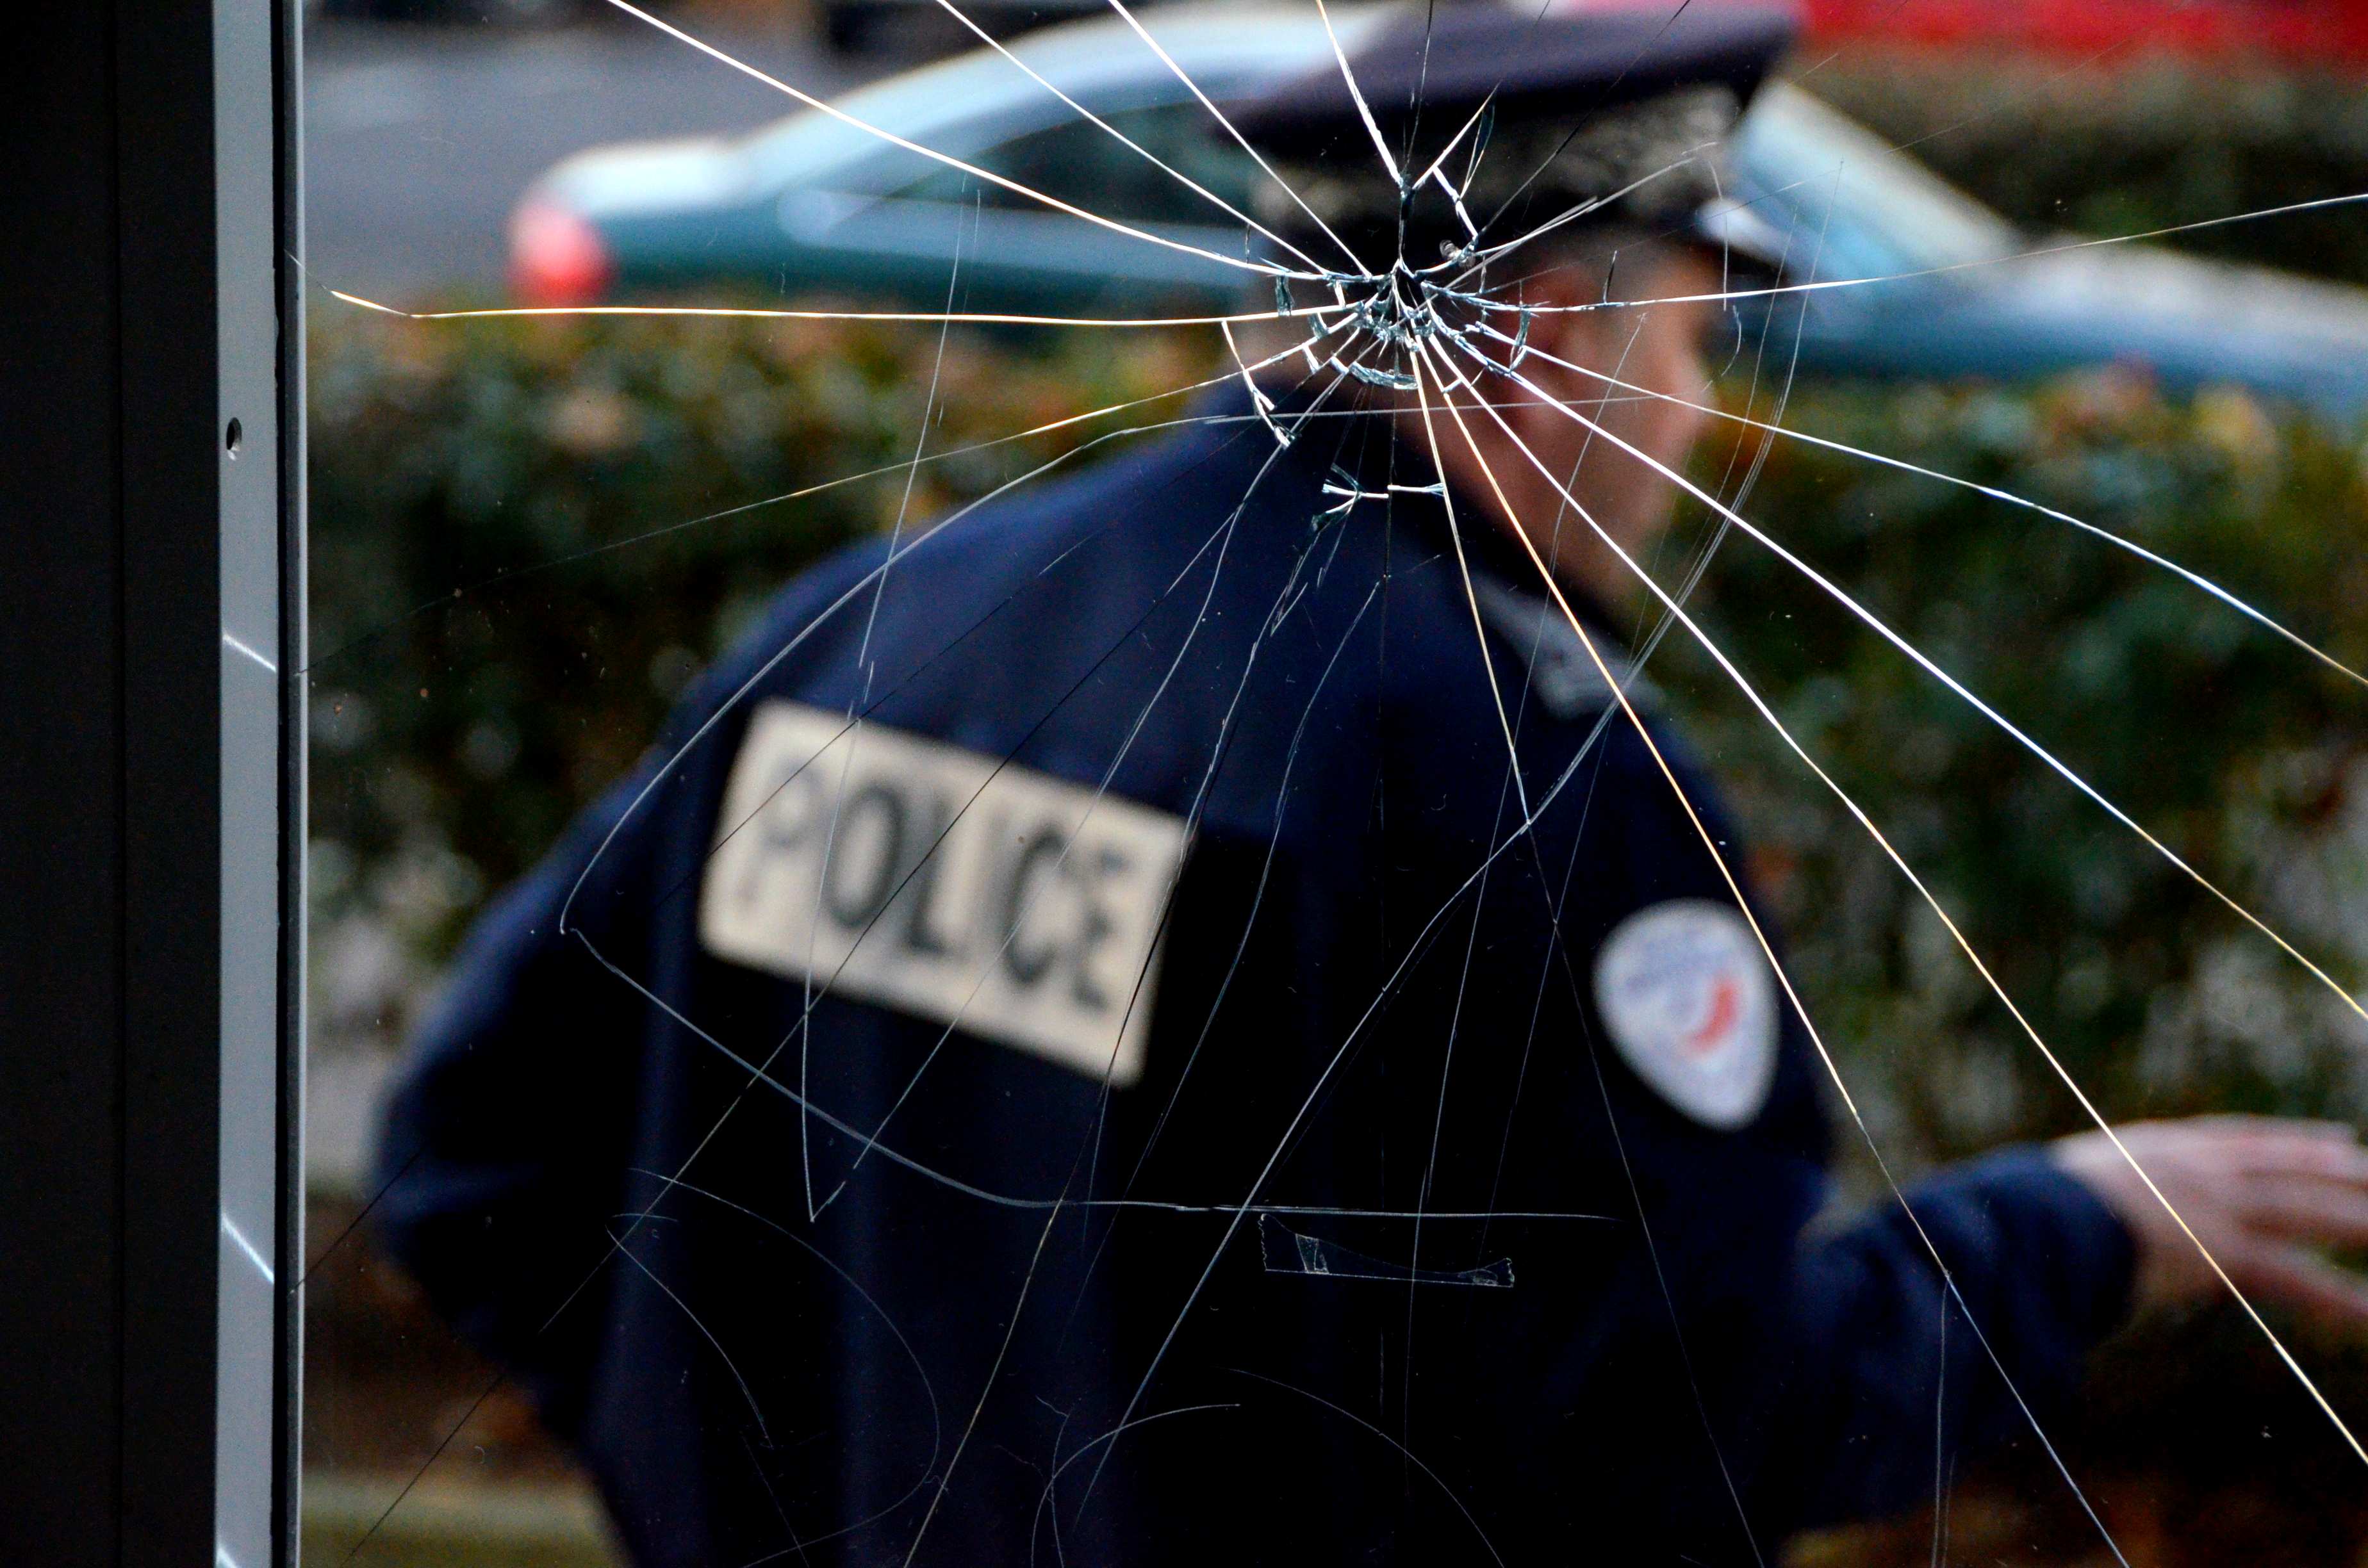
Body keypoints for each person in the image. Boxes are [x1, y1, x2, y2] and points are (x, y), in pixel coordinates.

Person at [375, 3, 2368, 1562]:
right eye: (1696, 333)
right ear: (1571, 335)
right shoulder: (1507, 766)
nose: (1699, 417)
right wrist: (2082, 1226)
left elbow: (476, 1166)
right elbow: (1674, 1432)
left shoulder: (889, 616)